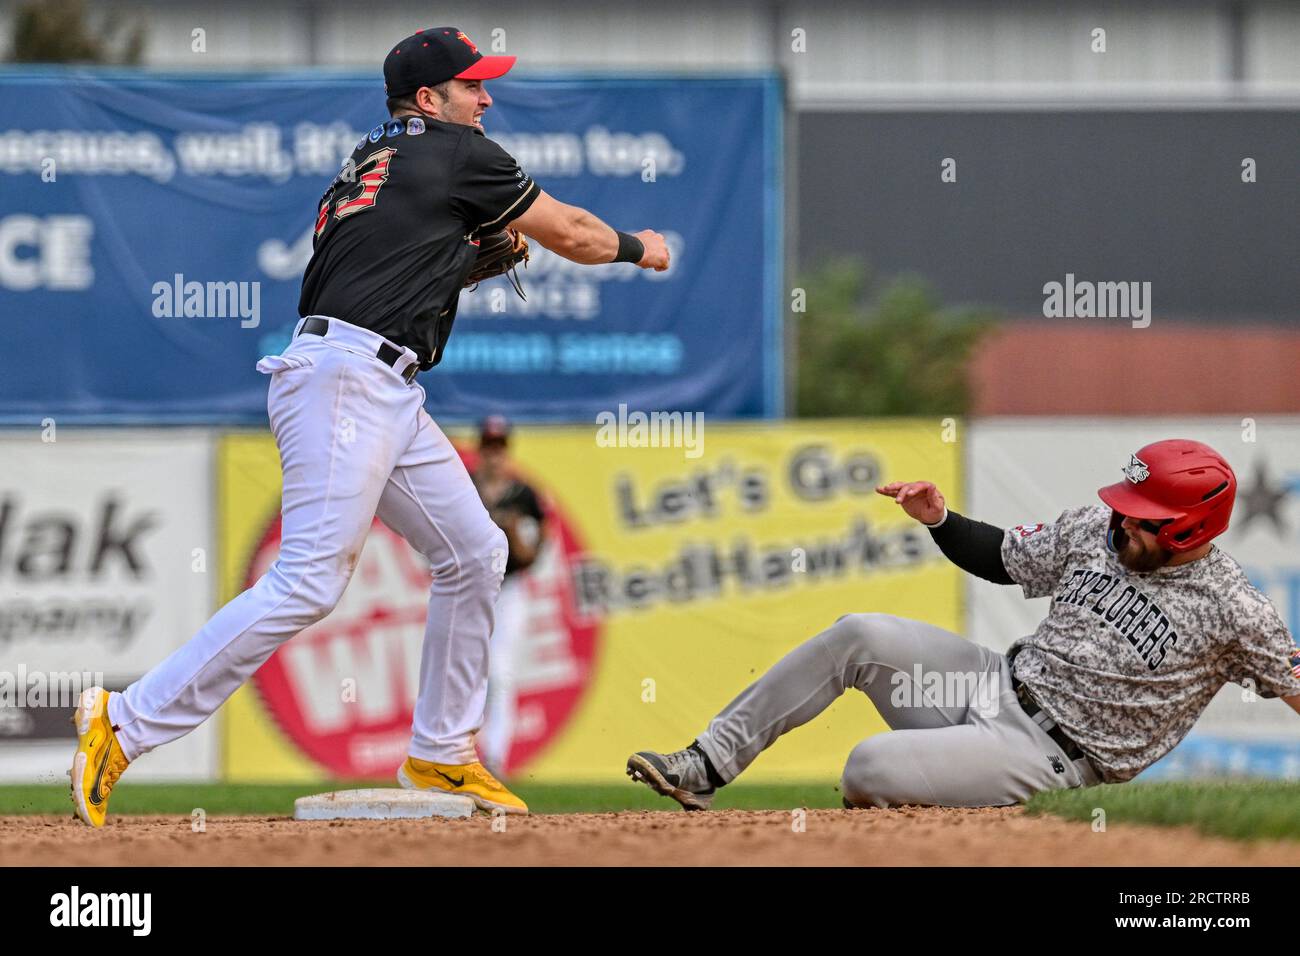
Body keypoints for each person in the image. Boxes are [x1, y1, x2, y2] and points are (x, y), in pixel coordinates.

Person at [69, 26, 670, 826]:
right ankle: (125, 723)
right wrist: (640, 247)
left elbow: (375, 261)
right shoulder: (458, 151)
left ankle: (443, 753)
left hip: (374, 382)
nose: (486, 98)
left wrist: (454, 256)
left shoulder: (368, 163)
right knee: (310, 580)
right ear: (430, 99)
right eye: (472, 85)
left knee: (475, 551)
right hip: (348, 381)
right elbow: (573, 233)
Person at [628, 439, 1300, 810]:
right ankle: (707, 763)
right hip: (990, 684)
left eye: (1142, 514)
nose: (1122, 518)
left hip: (1049, 757)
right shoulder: (1098, 529)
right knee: (859, 631)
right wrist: (940, 521)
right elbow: (1006, 559)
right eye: (1125, 503)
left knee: (868, 767)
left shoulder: (1235, 609)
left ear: (1190, 527)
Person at [470, 415, 546, 773]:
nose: (493, 455)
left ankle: (495, 758)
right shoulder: (463, 487)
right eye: (489, 447)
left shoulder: (523, 495)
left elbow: (532, 555)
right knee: (467, 671)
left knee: (500, 672)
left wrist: (511, 531)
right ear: (479, 449)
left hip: (509, 589)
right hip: (468, 588)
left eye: (499, 448)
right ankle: (459, 756)